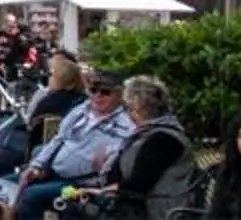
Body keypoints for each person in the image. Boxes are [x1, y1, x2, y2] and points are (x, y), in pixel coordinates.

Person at [10, 69, 140, 220]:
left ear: (120, 96)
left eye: (105, 92)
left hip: (80, 184)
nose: (97, 96)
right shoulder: (81, 110)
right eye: (93, 90)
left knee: (30, 196)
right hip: (51, 172)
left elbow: (117, 161)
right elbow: (59, 139)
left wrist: (106, 164)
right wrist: (37, 165)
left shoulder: (125, 125)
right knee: (2, 184)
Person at [64, 76, 199, 220]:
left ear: (138, 109)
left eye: (127, 107)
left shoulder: (164, 139)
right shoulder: (147, 133)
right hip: (136, 202)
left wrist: (96, 191)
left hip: (155, 209)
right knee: (74, 202)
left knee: (76, 207)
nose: (127, 113)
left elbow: (136, 185)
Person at [0, 53, 89, 178]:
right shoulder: (83, 100)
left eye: (52, 75)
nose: (49, 78)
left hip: (37, 149)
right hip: (61, 149)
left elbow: (32, 125)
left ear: (60, 80)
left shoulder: (49, 101)